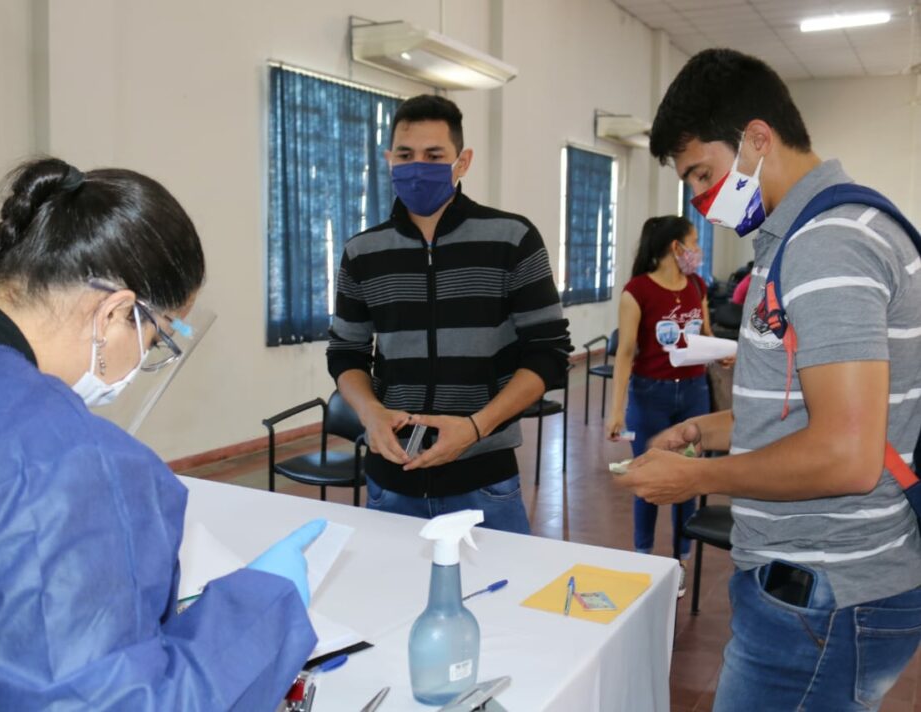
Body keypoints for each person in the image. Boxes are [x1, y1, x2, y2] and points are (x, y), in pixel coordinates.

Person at [0, 158, 325, 711]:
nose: (145, 359)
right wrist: (262, 609)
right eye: (157, 337)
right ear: (115, 312)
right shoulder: (54, 453)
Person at [618, 48, 921, 710]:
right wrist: (706, 428)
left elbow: (846, 456)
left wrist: (696, 478)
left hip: (826, 592)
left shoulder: (826, 246)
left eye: (704, 173)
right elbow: (802, 406)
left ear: (757, 138)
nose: (701, 201)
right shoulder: (801, 239)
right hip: (819, 585)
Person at [327, 95, 572, 533]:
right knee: (389, 599)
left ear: (462, 162)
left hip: (484, 483)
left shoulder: (512, 239)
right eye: (405, 155)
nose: (417, 166)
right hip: (391, 480)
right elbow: (346, 353)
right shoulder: (362, 252)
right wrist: (370, 413)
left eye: (433, 155)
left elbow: (548, 353)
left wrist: (476, 428)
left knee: (499, 600)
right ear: (388, 160)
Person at [606, 215, 711, 596]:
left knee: (687, 479)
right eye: (694, 242)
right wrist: (617, 410)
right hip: (651, 394)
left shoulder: (698, 284)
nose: (697, 251)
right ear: (675, 247)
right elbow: (626, 354)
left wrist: (723, 355)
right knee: (647, 479)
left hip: (695, 391)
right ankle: (643, 557)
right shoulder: (637, 291)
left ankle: (679, 561)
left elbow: (707, 336)